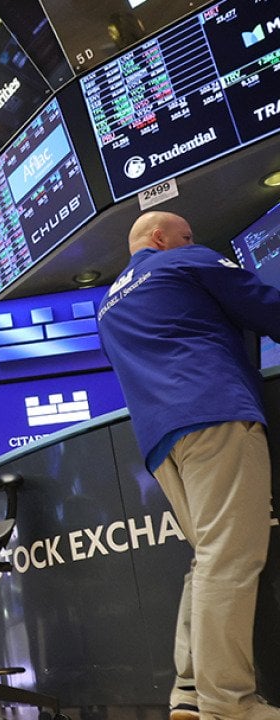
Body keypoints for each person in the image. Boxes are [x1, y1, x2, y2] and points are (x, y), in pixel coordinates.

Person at [96, 210, 280, 720]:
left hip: (159, 441)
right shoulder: (183, 262)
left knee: (208, 559)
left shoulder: (108, 305)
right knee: (231, 560)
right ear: (160, 238)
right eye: (187, 234)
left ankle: (192, 693)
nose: (194, 241)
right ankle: (230, 705)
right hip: (215, 412)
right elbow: (266, 305)